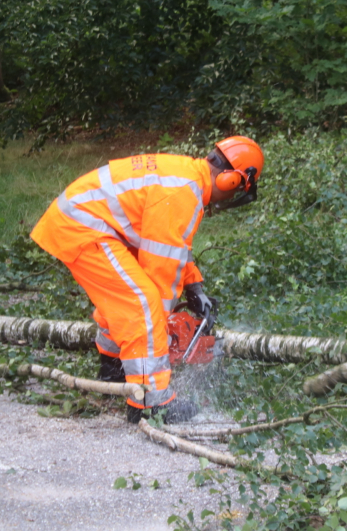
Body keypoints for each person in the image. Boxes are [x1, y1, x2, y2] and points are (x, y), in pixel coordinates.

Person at [30, 137, 264, 424]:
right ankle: (150, 402)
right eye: (236, 190)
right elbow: (160, 269)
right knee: (143, 304)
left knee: (123, 296)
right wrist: (163, 331)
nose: (230, 197)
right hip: (84, 226)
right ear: (230, 180)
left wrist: (194, 286)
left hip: (89, 221)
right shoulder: (184, 192)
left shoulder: (187, 179)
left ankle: (114, 369)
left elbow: (172, 246)